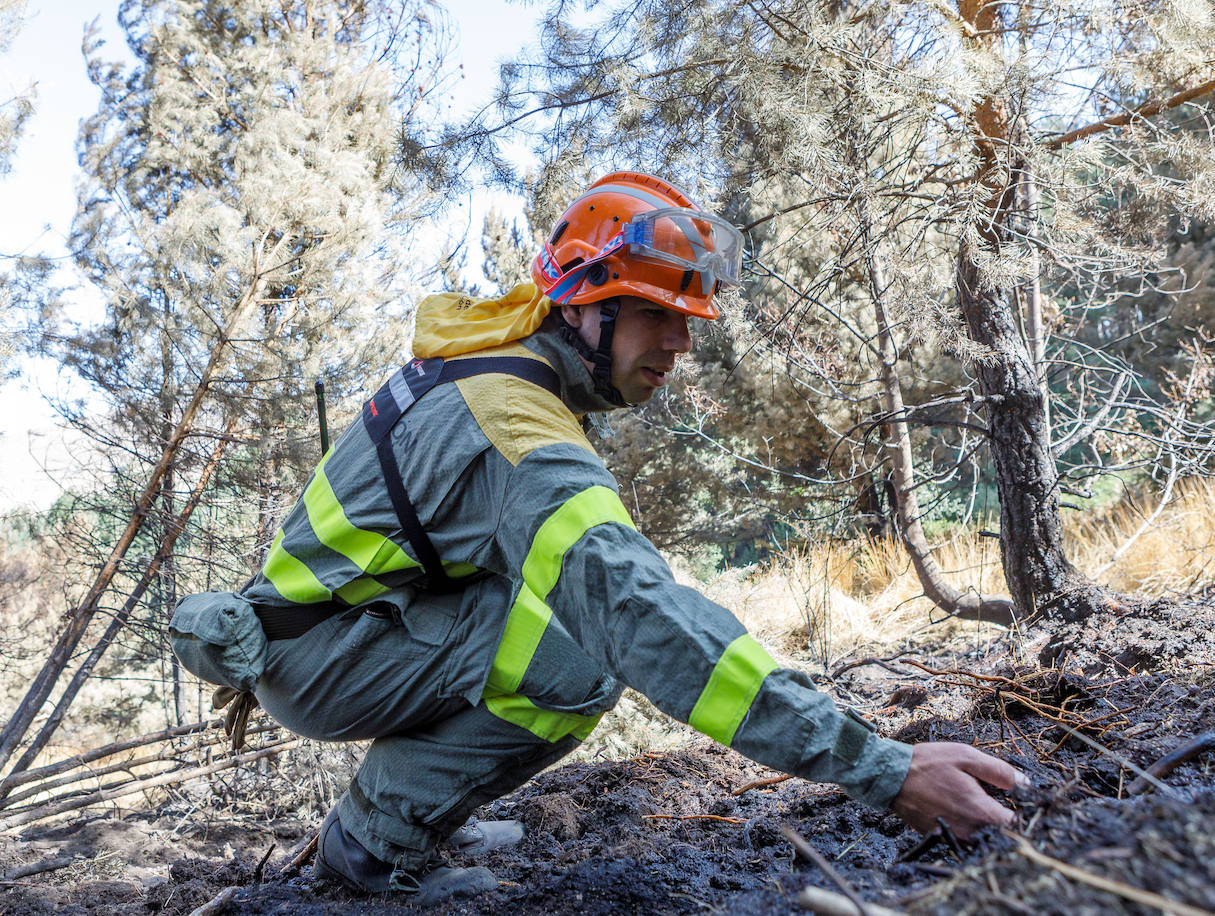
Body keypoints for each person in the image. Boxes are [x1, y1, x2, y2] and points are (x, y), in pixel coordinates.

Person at [170, 171, 1023, 906]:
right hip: (328, 653)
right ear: (587, 303)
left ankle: (397, 815)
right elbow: (635, 613)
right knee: (581, 652)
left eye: (691, 315)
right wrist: (881, 765)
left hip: (346, 629)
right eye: (659, 313)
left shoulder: (497, 358)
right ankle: (378, 841)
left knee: (567, 616)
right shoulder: (515, 428)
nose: (684, 341)